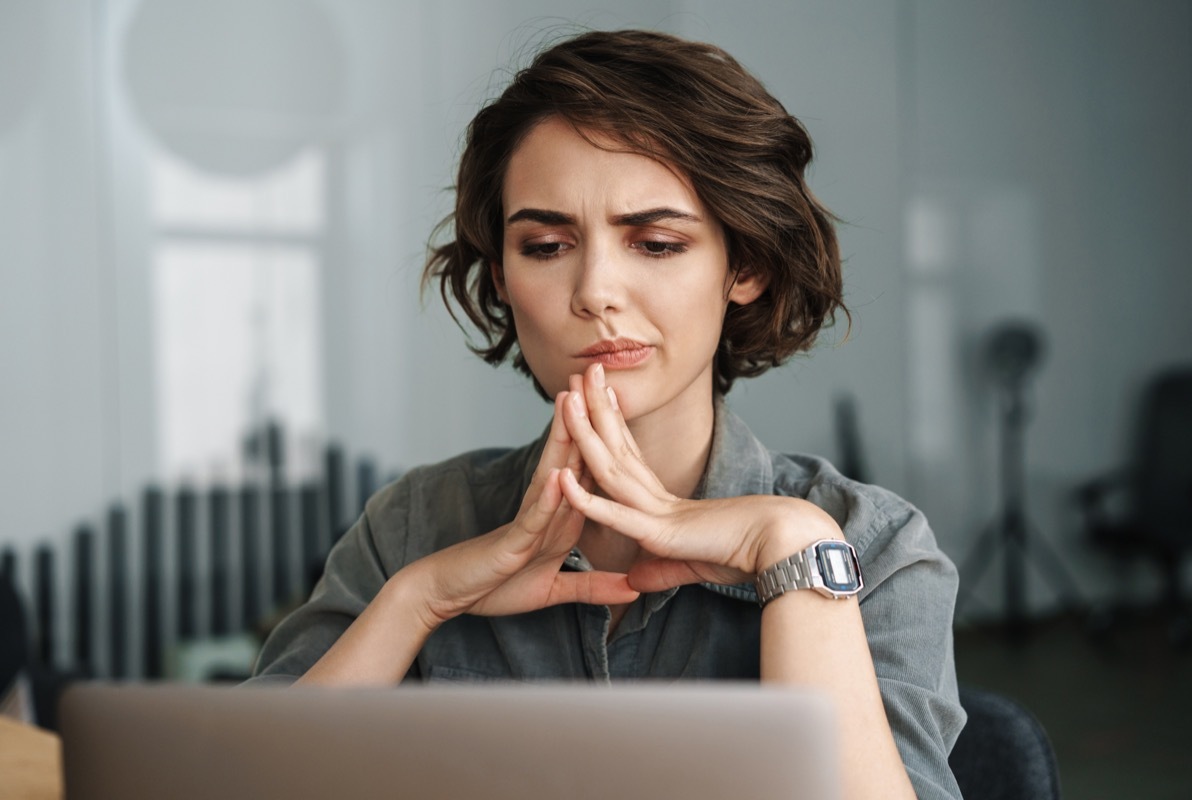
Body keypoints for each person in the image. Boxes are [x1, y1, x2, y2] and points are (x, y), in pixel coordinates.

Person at [250, 29, 965, 799]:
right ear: (503, 278)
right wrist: (420, 601)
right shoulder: (416, 526)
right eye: (548, 245)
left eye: (655, 243)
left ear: (746, 264)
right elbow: (238, 784)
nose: (594, 290)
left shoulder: (874, 549)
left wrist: (789, 544)